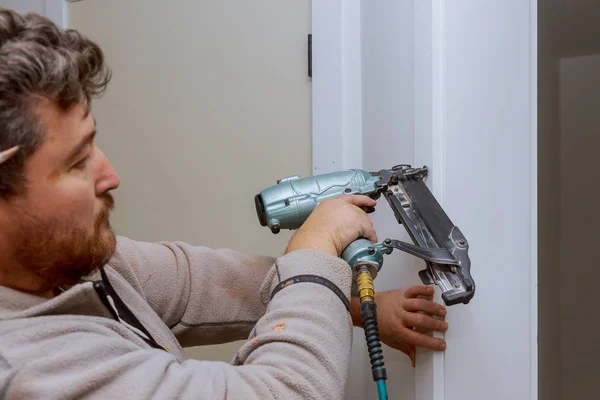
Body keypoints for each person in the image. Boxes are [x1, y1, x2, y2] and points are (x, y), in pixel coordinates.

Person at [0, 8, 448, 399]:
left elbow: (194, 285)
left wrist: (355, 306)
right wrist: (314, 251)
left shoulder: (58, 265)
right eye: (78, 161)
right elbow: (284, 392)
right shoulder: (30, 371)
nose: (110, 176)